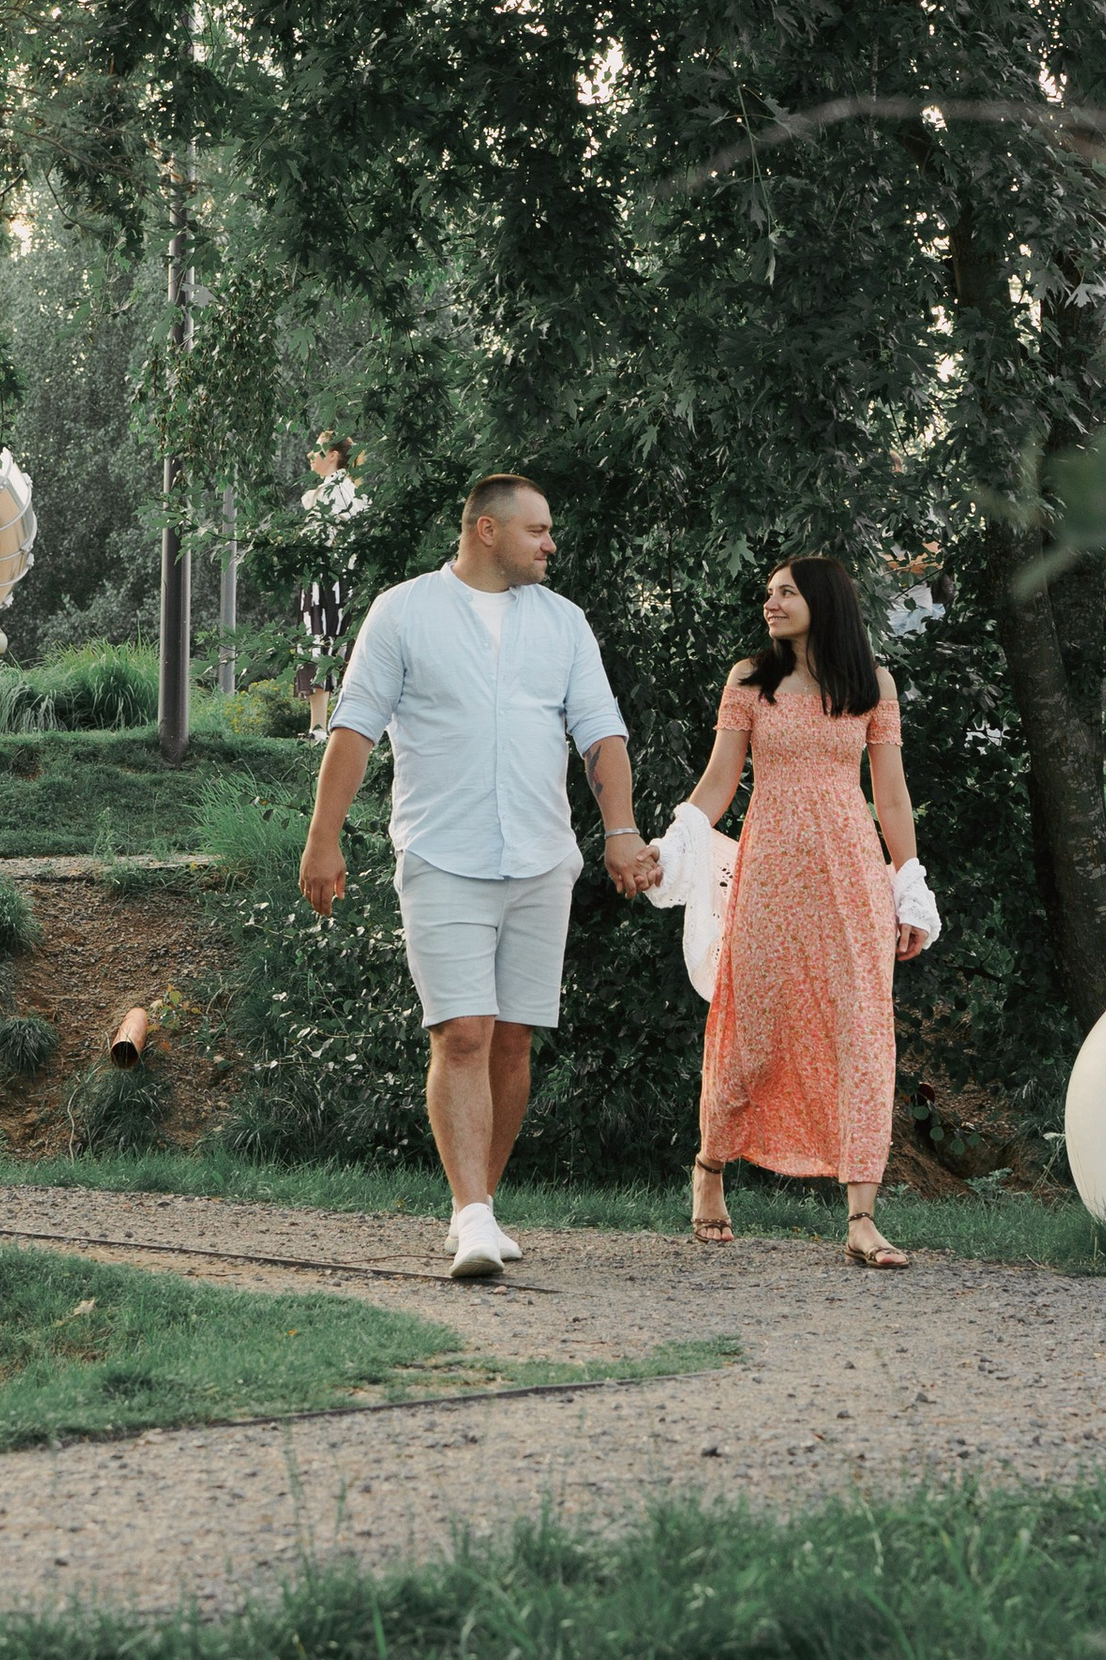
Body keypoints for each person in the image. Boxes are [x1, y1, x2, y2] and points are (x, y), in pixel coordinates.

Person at [297, 473, 661, 1279]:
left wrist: (621, 830)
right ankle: (470, 1217)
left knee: (513, 1039)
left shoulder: (563, 622)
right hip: (441, 853)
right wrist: (323, 841)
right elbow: (353, 729)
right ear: (487, 530)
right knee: (462, 1031)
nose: (550, 543)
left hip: (541, 856)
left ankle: (481, 1206)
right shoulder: (402, 612)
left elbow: (600, 734)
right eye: (537, 529)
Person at [676, 552, 938, 1268]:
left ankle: (861, 1218)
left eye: (787, 592)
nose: (772, 602)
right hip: (769, 874)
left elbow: (891, 796)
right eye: (769, 593)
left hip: (851, 877)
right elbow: (719, 782)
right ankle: (710, 1167)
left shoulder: (871, 685)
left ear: (824, 600)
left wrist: (909, 886)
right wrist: (678, 841)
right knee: (752, 1028)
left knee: (862, 1031)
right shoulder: (749, 681)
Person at [296, 431, 365, 735]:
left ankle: (320, 728)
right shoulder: (346, 490)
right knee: (334, 646)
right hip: (340, 579)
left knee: (320, 642)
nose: (310, 455)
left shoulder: (334, 491)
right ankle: (327, 728)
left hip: (328, 578)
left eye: (317, 449)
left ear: (333, 455)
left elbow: (328, 541)